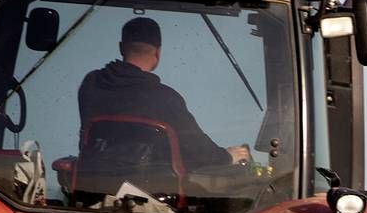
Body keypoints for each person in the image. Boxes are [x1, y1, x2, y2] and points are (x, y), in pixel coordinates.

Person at [77, 17, 250, 169]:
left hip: (91, 188)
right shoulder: (166, 98)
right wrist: (227, 156)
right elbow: (198, 149)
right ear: (158, 52)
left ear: (121, 48)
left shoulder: (91, 83)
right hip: (151, 194)